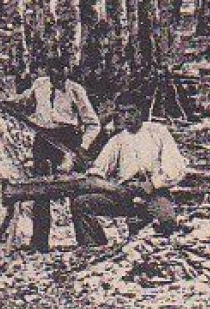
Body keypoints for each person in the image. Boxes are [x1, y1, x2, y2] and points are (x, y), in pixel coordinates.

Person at [7, 55, 101, 252]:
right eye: (55, 74)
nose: (59, 79)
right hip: (43, 139)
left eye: (63, 74)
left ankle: (86, 239)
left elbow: (93, 124)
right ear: (49, 73)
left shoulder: (76, 90)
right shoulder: (40, 85)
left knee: (74, 187)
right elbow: (26, 101)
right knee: (40, 188)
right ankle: (39, 242)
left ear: (67, 72)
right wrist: (9, 101)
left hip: (68, 139)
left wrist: (82, 148)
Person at [70, 94, 187, 247]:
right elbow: (98, 169)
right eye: (122, 112)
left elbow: (175, 167)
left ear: (141, 111)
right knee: (82, 204)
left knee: (167, 221)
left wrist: (154, 184)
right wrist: (109, 186)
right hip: (125, 193)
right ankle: (96, 248)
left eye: (131, 112)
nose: (126, 117)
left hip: (154, 191)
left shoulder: (158, 132)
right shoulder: (118, 140)